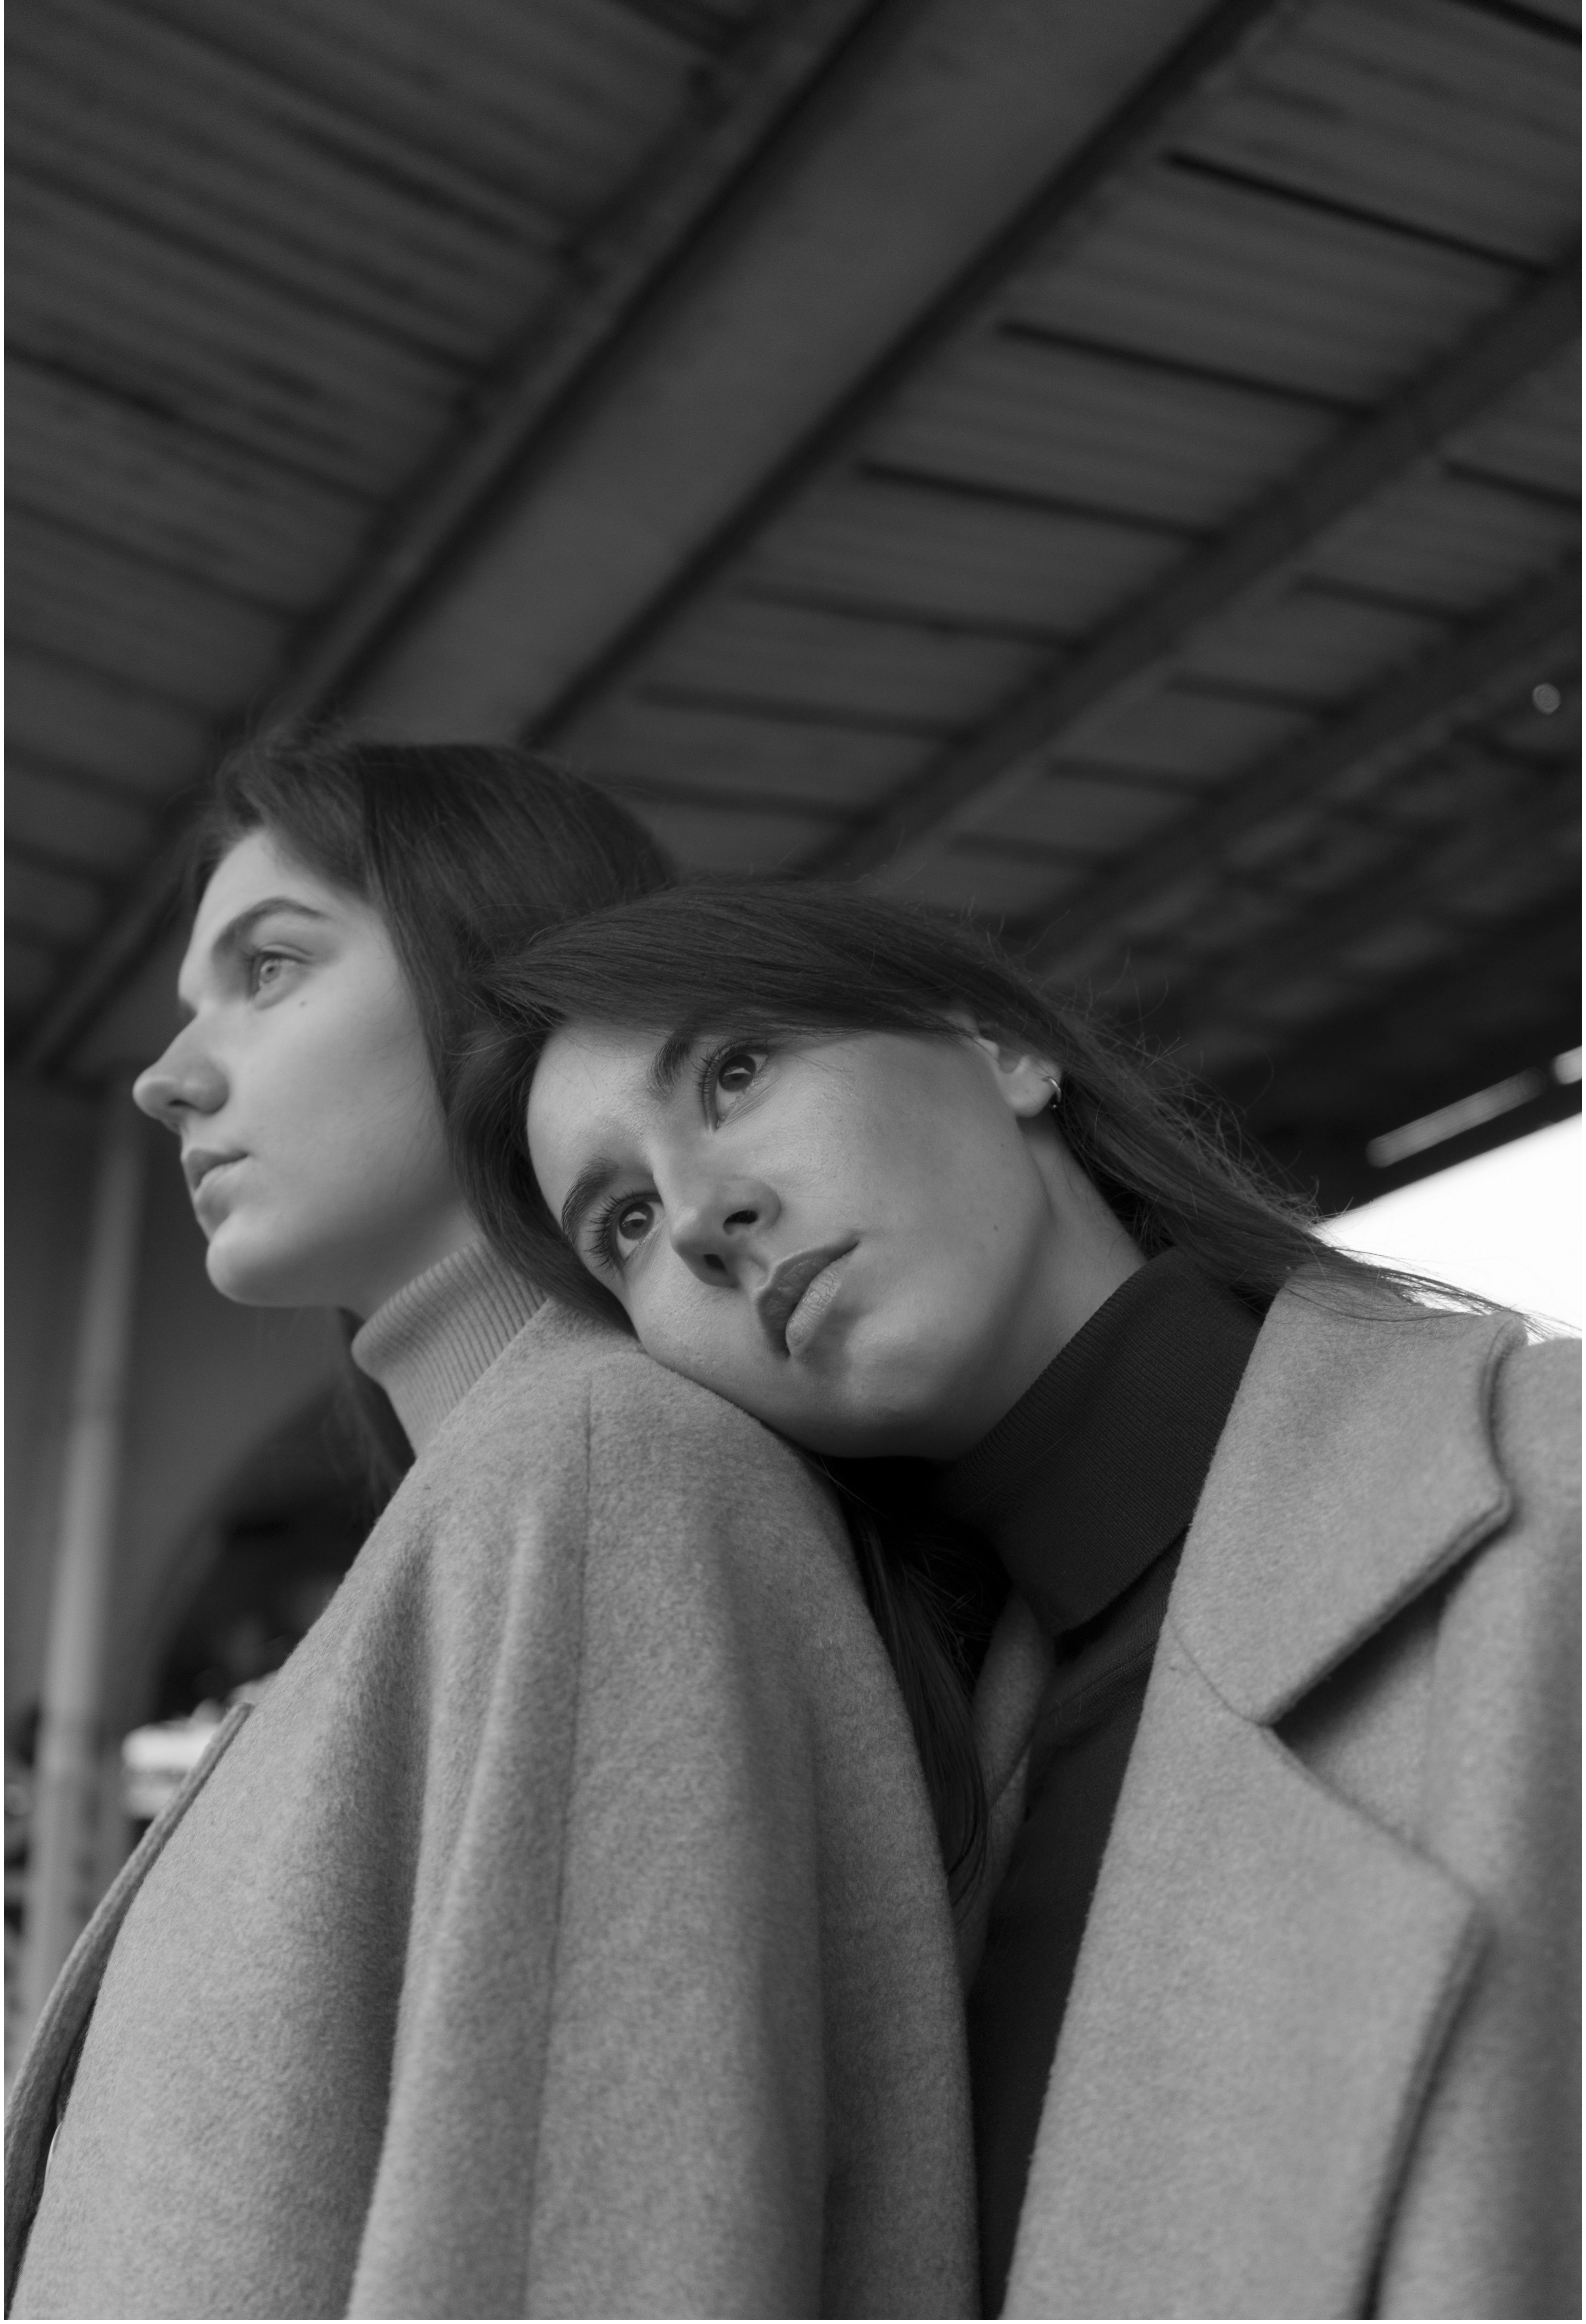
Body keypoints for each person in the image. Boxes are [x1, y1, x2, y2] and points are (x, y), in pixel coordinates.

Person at [452, 875, 1581, 2323]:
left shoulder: (1549, 1484)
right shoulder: (902, 1835)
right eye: (619, 1223)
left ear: (1001, 1048)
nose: (700, 1217)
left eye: (736, 1071)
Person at [5, 744, 977, 2322]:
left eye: (270, 969)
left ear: (498, 990)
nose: (166, 1075)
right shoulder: (490, 1507)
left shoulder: (595, 1476)